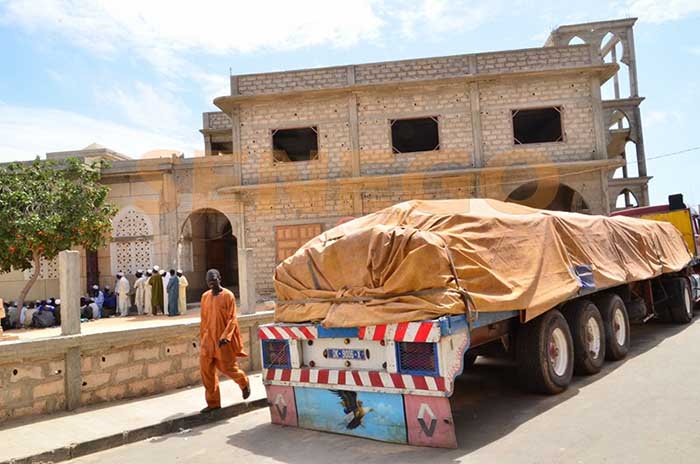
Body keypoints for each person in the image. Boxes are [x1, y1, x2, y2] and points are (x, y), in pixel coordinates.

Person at [199, 268, 250, 413]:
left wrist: (226, 337)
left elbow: (232, 319)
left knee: (228, 368)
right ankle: (213, 403)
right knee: (206, 372)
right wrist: (202, 337)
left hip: (222, 341)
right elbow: (203, 320)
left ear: (219, 278)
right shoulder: (205, 297)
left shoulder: (228, 296)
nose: (211, 283)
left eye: (214, 279)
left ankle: (244, 382)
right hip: (208, 341)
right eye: (209, 280)